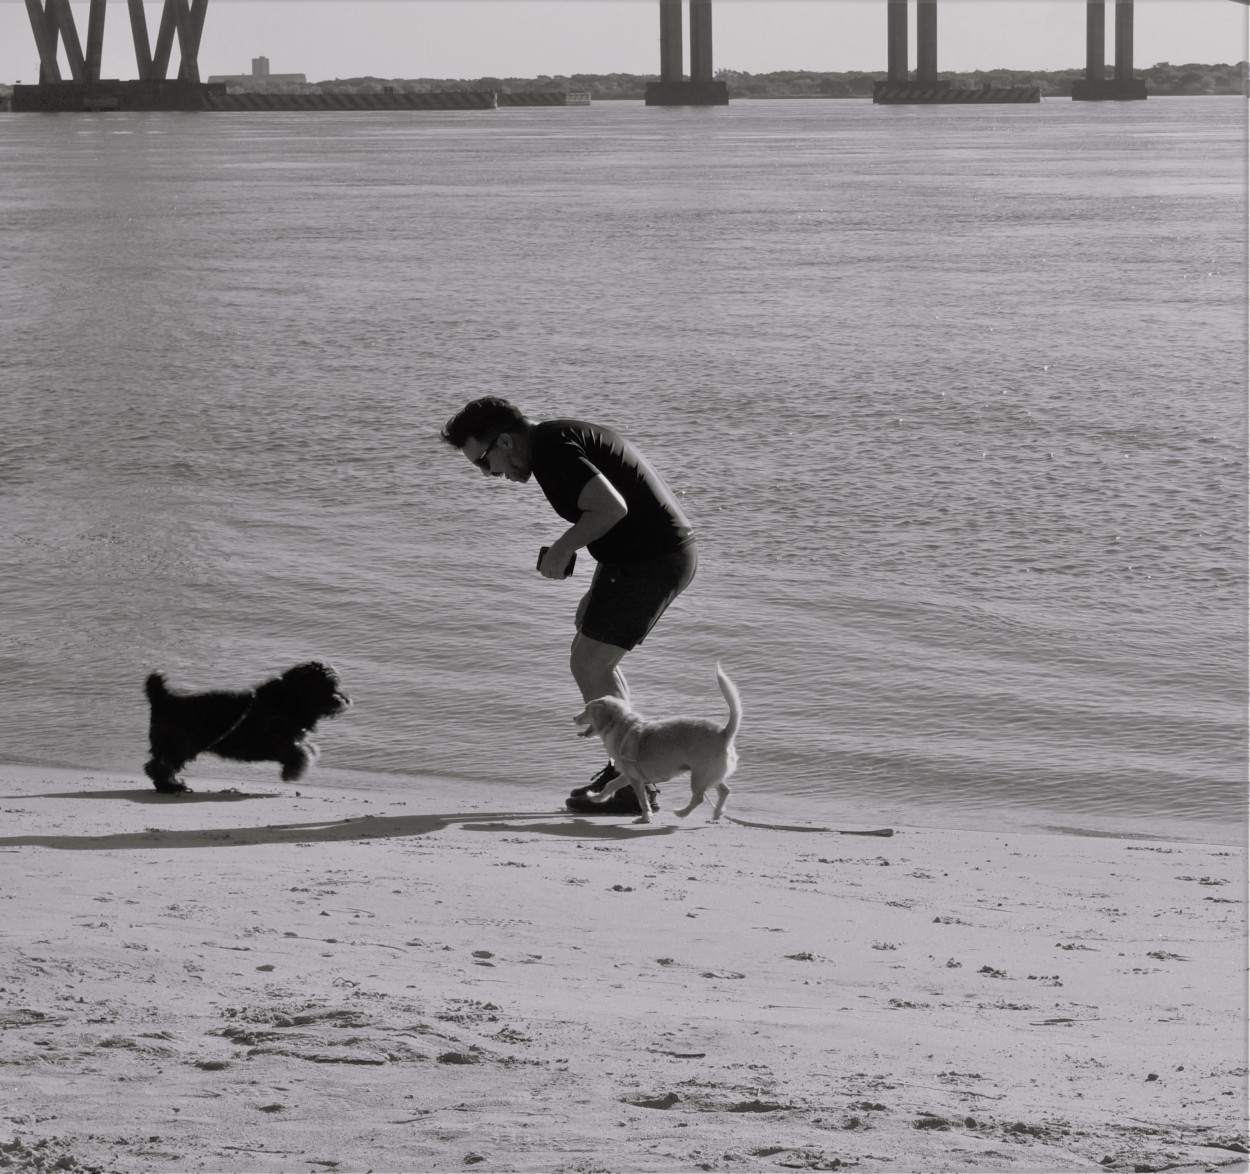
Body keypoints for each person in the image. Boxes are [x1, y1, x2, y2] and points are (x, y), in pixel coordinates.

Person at [440, 397, 697, 814]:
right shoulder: (555, 440)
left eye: (484, 463)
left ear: (505, 441)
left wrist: (562, 550)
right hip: (643, 557)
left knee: (590, 664)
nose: (490, 475)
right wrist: (596, 587)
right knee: (592, 658)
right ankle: (626, 771)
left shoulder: (554, 449)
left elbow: (612, 507)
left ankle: (633, 785)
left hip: (653, 559)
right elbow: (615, 516)